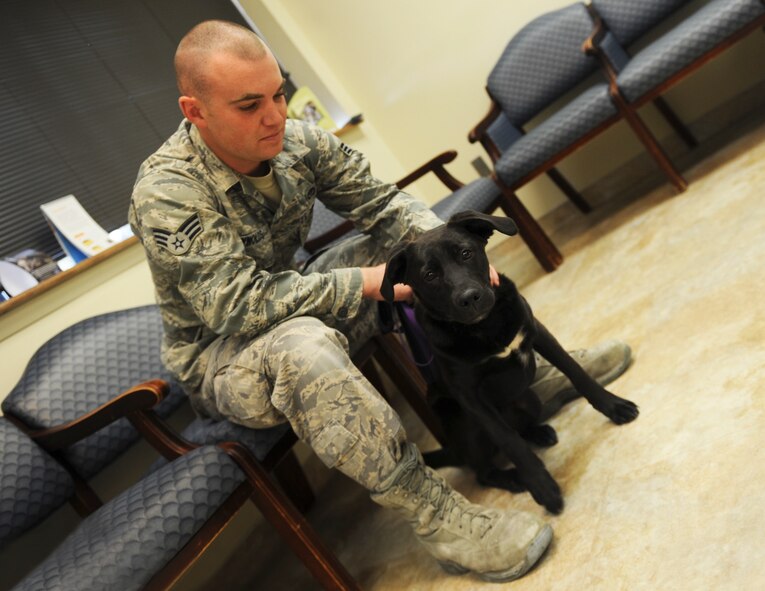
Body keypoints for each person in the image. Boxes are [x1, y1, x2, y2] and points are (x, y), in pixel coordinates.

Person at [129, 20, 631, 583]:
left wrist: (456, 256)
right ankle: (438, 516)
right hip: (224, 359)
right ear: (195, 111)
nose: (273, 117)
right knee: (305, 344)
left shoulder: (297, 141)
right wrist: (368, 284)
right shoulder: (167, 193)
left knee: (417, 254)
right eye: (249, 106)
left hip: (289, 299)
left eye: (277, 95)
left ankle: (517, 374)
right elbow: (238, 307)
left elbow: (388, 208)